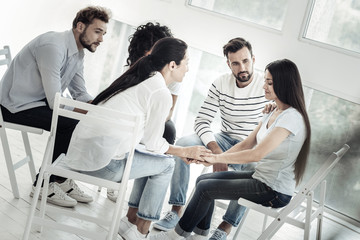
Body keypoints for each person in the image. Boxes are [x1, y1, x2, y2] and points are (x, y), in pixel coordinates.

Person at [62, 37, 211, 239]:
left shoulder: (141, 79)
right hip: (100, 165)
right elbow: (153, 143)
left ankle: (130, 221)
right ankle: (141, 230)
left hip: (78, 156)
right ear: (172, 65)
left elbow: (149, 144)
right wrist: (183, 151)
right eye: (187, 62)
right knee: (166, 164)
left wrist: (178, 151)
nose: (188, 68)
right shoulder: (159, 91)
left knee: (154, 159)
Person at [152, 58, 311, 240]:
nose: (264, 87)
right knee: (203, 180)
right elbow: (246, 144)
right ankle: (200, 234)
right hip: (261, 178)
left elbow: (256, 154)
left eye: (270, 83)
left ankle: (175, 236)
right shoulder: (273, 111)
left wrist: (216, 159)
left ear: (284, 84)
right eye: (265, 81)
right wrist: (213, 157)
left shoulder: (292, 118)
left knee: (206, 188)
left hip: (273, 190)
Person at [153, 37, 270, 234]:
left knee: (256, 168)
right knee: (183, 143)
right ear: (228, 64)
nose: (242, 67)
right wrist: (216, 151)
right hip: (223, 139)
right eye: (235, 63)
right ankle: (176, 209)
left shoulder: (266, 85)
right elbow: (201, 121)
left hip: (250, 145)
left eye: (246, 61)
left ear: (253, 59)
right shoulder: (221, 83)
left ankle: (226, 227)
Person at [0, 6, 111, 207]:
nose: (101, 39)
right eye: (97, 31)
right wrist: (83, 113)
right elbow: (55, 102)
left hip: (36, 101)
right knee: (71, 123)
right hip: (15, 106)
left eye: (103, 33)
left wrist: (98, 107)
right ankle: (45, 183)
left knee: (80, 120)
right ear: (79, 26)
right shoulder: (53, 46)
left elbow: (80, 92)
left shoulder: (78, 53)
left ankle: (60, 178)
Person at [107, 22, 178, 202]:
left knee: (168, 130)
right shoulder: (134, 68)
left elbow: (168, 111)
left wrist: (151, 119)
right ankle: (116, 174)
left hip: (151, 117)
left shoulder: (173, 74)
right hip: (128, 119)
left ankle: (140, 194)